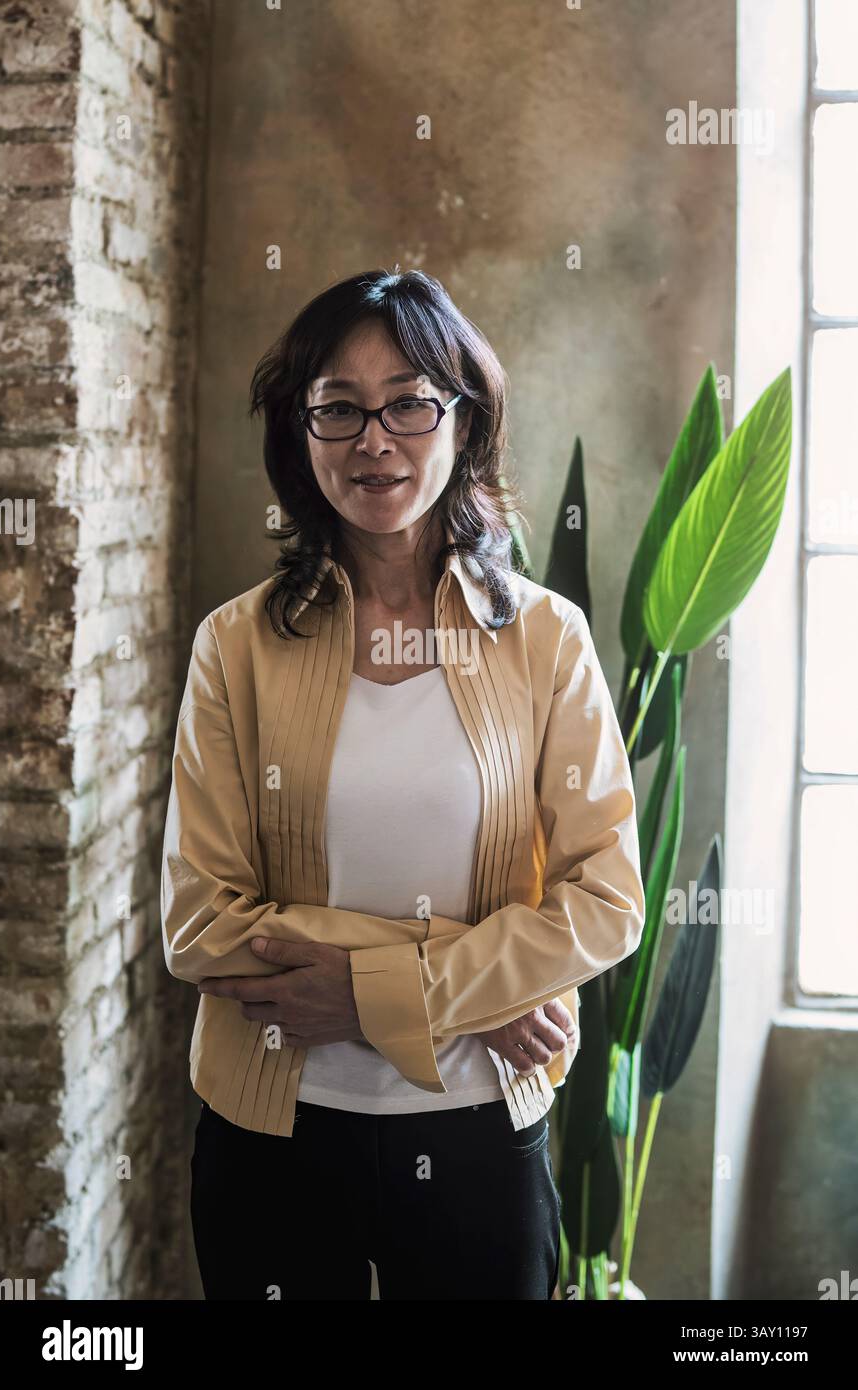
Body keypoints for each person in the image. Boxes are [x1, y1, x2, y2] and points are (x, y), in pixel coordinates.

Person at [160, 266, 645, 1301]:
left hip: (476, 1137)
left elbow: (605, 901)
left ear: (462, 423)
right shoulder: (235, 646)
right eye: (338, 407)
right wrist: (462, 989)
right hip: (272, 1140)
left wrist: (384, 990)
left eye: (409, 403)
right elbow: (200, 925)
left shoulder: (544, 640)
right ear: (299, 431)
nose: (373, 438)